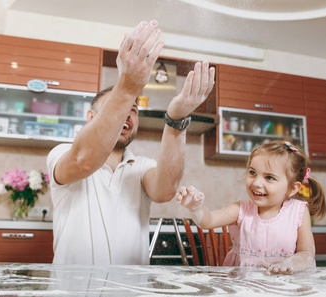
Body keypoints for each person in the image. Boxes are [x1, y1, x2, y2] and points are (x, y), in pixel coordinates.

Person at [46, 20, 215, 265]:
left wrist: (176, 118)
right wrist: (127, 88)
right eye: (117, 108)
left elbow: (166, 190)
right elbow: (83, 162)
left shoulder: (142, 166)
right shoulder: (61, 154)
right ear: (91, 118)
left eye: (133, 109)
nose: (127, 114)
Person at [176, 140, 326, 274]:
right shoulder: (240, 209)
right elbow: (207, 221)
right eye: (253, 173)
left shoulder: (298, 211)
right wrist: (196, 207)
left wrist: (288, 264)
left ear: (292, 189)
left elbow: (306, 253)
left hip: (285, 285)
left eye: (269, 177)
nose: (256, 183)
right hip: (245, 283)